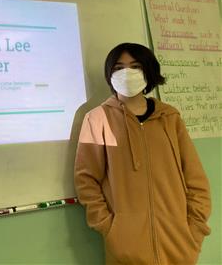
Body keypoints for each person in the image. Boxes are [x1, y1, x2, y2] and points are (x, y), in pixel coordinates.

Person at [74, 43, 211, 265]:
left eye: (135, 66)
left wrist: (194, 230)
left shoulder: (170, 118)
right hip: (125, 250)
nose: (126, 73)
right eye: (118, 67)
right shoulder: (97, 119)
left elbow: (195, 179)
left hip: (179, 246)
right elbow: (86, 180)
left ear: (148, 71)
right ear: (110, 74)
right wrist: (110, 229)